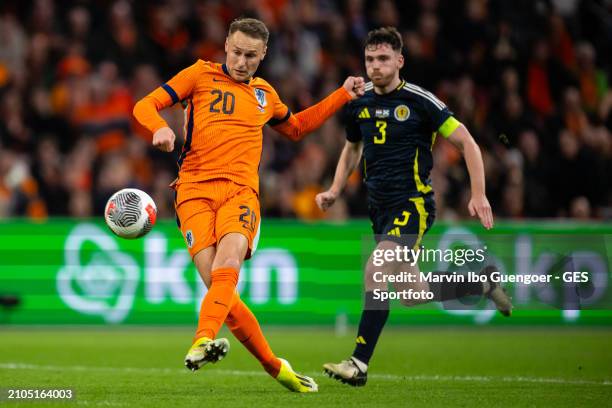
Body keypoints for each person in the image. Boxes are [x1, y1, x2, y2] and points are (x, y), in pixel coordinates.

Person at [133, 17, 365, 393]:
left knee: (228, 266)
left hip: (241, 193)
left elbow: (297, 128)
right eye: (237, 52)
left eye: (251, 56)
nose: (242, 62)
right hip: (192, 190)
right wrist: (159, 127)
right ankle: (276, 366)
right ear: (226, 44)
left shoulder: (265, 95)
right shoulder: (199, 75)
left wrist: (341, 94)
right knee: (219, 289)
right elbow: (146, 104)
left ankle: (201, 340)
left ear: (264, 55)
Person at [316, 27, 512, 387]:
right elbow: (352, 148)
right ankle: (480, 283)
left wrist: (478, 193)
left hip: (413, 204)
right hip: (380, 208)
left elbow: (467, 142)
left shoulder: (422, 101)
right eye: (370, 59)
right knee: (412, 294)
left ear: (399, 61)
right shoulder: (358, 104)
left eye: (383, 59)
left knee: (375, 269)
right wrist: (334, 188)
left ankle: (358, 363)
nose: (375, 66)